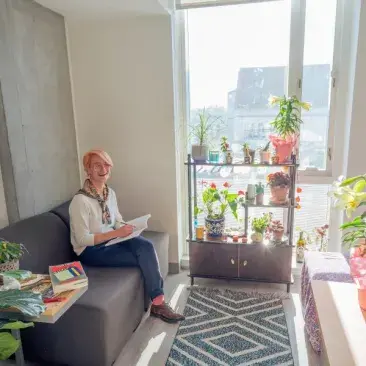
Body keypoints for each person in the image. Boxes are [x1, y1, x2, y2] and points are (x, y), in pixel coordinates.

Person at [69, 149, 185, 323]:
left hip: (112, 240)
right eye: (97, 165)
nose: (103, 169)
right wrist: (116, 233)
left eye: (106, 164)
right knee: (142, 258)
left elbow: (116, 221)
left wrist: (128, 228)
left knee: (146, 247)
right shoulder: (80, 201)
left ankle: (158, 303)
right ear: (88, 170)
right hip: (91, 250)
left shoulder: (109, 193)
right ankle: (158, 304)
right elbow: (82, 239)